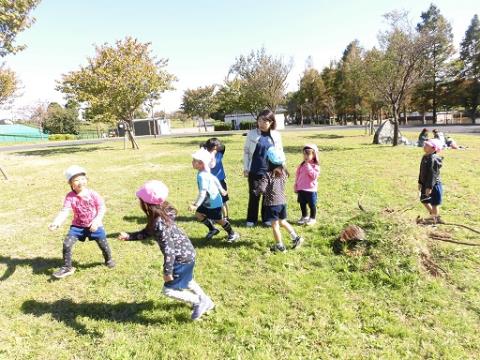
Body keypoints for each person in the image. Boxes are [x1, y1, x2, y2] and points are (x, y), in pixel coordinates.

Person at [118, 180, 214, 321]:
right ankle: (207, 301)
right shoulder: (165, 210)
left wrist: (167, 271)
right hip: (188, 253)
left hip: (180, 258)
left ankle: (199, 301)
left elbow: (169, 249)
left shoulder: (159, 223)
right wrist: (129, 236)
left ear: (145, 204)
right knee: (187, 281)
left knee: (168, 290)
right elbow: (147, 232)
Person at [48, 165, 115, 279]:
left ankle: (108, 259)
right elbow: (65, 211)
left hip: (94, 225)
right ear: (70, 183)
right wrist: (56, 223)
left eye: (83, 178)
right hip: (77, 227)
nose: (80, 182)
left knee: (103, 244)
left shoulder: (93, 193)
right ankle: (67, 267)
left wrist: (96, 221)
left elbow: (102, 208)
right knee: (66, 244)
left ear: (87, 179)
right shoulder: (70, 197)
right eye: (76, 180)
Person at [254, 147, 304, 252]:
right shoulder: (284, 172)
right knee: (283, 222)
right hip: (282, 202)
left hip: (272, 204)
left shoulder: (267, 175)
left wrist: (257, 190)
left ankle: (280, 246)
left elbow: (262, 189)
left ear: (268, 161)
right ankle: (296, 238)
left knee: (275, 225)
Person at [189, 148, 240, 242]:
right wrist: (221, 189)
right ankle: (213, 229)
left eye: (194, 161)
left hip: (213, 202)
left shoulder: (202, 175)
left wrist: (195, 205)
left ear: (201, 164)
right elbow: (214, 179)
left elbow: (203, 192)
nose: (192, 162)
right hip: (207, 201)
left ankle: (233, 234)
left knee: (219, 220)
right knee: (198, 214)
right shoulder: (204, 172)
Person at [243, 109, 283, 227]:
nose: (261, 123)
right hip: (254, 170)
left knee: (268, 196)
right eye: (259, 120)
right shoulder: (252, 134)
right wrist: (246, 168)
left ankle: (266, 218)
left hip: (270, 171)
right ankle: (251, 219)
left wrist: (280, 167)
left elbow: (280, 153)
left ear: (271, 122)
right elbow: (246, 152)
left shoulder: (276, 135)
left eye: (265, 121)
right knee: (254, 195)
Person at [203, 138, 230, 220]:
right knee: (210, 199)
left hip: (220, 180)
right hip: (209, 181)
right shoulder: (205, 155)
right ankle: (211, 216)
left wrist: (215, 149)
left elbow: (223, 146)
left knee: (223, 200)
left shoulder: (219, 153)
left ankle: (226, 217)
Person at [418, 139, 443, 223]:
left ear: (433, 149)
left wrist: (429, 187)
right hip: (425, 183)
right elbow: (421, 171)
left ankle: (434, 219)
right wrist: (420, 182)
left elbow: (433, 174)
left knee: (434, 203)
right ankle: (434, 215)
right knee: (424, 200)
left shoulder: (434, 159)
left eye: (426, 145)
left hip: (433, 184)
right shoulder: (425, 156)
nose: (424, 146)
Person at [294, 144, 320, 225]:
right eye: (304, 154)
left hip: (311, 189)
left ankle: (312, 218)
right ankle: (304, 216)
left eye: (308, 154)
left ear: (314, 155)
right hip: (301, 188)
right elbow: (298, 175)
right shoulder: (301, 165)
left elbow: (314, 176)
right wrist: (296, 185)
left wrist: (308, 166)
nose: (305, 156)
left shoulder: (315, 166)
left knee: (312, 204)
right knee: (302, 204)